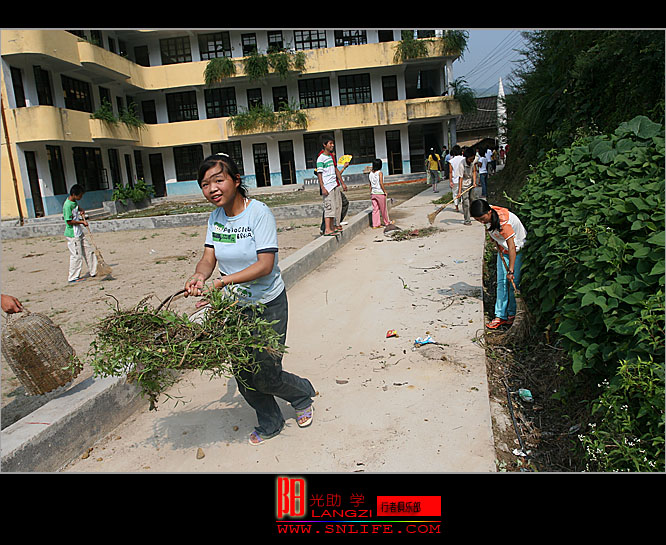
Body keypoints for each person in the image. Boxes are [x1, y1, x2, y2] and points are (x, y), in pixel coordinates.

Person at [185, 153, 316, 446]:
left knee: (267, 373)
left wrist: (221, 282)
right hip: (235, 308)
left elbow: (265, 265)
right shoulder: (215, 217)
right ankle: (270, 421)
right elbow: (209, 256)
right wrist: (200, 276)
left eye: (218, 180)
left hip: (268, 303)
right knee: (244, 373)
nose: (212, 189)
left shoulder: (259, 213)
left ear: (235, 180)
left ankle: (302, 393)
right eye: (205, 185)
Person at [470, 199, 527, 329]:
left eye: (482, 218)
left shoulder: (504, 222)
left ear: (489, 212)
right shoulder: (487, 212)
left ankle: (512, 314)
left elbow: (512, 247)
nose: (481, 222)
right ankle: (500, 316)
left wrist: (511, 270)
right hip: (503, 249)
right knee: (501, 282)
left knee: (513, 283)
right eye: (478, 220)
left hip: (516, 251)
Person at [63, 184, 97, 283]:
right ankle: (73, 277)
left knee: (88, 250)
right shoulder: (67, 205)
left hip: (79, 233)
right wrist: (82, 222)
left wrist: (81, 210)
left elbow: (77, 208)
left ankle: (94, 271)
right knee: (76, 255)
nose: (81, 197)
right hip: (72, 235)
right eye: (80, 195)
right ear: (74, 194)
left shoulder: (74, 202)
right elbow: (68, 221)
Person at [317, 136, 347, 236]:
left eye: (333, 143)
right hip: (327, 187)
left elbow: (335, 170)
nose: (332, 145)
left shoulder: (330, 157)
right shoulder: (321, 158)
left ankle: (333, 227)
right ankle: (327, 229)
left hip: (334, 185)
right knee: (329, 208)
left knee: (335, 207)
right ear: (325, 145)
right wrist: (323, 187)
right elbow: (319, 174)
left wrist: (342, 183)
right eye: (330, 143)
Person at [455, 147, 478, 225]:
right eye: (470, 159)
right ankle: (467, 220)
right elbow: (460, 179)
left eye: (473, 158)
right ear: (466, 158)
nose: (472, 160)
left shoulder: (474, 161)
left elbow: (474, 171)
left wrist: (474, 182)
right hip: (464, 185)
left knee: (473, 199)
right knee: (466, 202)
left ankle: (473, 214)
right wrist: (459, 192)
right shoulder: (461, 165)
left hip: (471, 183)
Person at [368, 158, 392, 228]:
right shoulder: (380, 173)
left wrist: (371, 192)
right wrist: (385, 191)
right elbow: (381, 183)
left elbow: (370, 184)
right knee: (383, 209)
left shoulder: (370, 173)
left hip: (373, 193)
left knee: (375, 209)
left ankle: (375, 224)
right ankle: (387, 222)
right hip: (380, 193)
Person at [448, 145, 464, 212]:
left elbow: (450, 172)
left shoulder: (451, 161)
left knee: (455, 194)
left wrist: (450, 181)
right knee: (463, 194)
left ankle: (456, 207)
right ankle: (464, 207)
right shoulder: (464, 159)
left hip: (455, 179)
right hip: (463, 179)